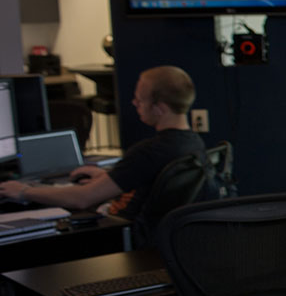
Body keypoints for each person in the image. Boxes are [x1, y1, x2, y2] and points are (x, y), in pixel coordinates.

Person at [0, 65, 208, 223]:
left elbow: (81, 199)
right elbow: (145, 180)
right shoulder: (193, 144)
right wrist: (107, 178)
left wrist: (23, 191)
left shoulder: (148, 152)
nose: (135, 104)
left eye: (140, 100)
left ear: (160, 108)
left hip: (122, 238)